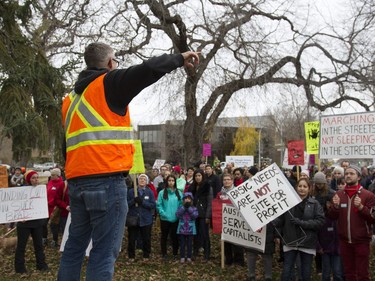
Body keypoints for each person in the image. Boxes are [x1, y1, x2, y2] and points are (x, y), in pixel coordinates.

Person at [58, 42, 200, 281]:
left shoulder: (69, 101)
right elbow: (146, 70)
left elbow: (68, 146)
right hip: (106, 182)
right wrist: (179, 58)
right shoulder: (108, 83)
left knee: (74, 248)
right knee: (103, 253)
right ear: (110, 63)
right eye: (116, 61)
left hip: (76, 183)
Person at [328, 165, 375, 281]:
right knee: (349, 273)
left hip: (361, 241)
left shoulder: (368, 195)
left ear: (358, 177)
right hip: (344, 241)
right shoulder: (338, 195)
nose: (348, 175)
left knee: (362, 274)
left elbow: (373, 217)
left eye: (352, 173)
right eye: (347, 173)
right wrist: (336, 207)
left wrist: (361, 207)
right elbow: (332, 216)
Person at [273, 178, 325, 281]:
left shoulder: (315, 204)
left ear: (309, 189)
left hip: (307, 242)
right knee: (287, 270)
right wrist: (272, 221)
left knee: (305, 272)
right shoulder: (287, 203)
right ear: (296, 188)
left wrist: (302, 223)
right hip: (290, 241)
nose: (302, 189)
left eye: (305, 186)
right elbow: (280, 221)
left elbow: (320, 221)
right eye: (300, 186)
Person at [15, 170, 49, 274]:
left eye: (37, 178)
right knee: (21, 246)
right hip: (24, 223)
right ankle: (19, 268)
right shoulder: (21, 190)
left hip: (37, 222)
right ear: (28, 179)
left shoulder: (41, 190)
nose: (36, 180)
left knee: (38, 245)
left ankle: (41, 265)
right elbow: (16, 205)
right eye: (33, 178)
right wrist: (20, 216)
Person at [216, 173, 245, 266]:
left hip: (236, 220)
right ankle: (228, 259)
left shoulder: (238, 192)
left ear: (232, 181)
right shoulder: (220, 194)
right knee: (226, 241)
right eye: (225, 180)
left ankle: (239, 260)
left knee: (237, 241)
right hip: (224, 221)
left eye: (228, 179)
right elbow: (217, 206)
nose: (226, 181)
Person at [127, 174, 156, 261]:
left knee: (146, 238)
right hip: (133, 219)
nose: (142, 180)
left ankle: (146, 255)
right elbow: (126, 204)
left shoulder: (149, 192)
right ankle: (131, 256)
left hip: (145, 219)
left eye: (144, 179)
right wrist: (133, 201)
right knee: (132, 238)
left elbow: (152, 205)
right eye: (140, 179)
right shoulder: (131, 191)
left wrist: (142, 202)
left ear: (146, 181)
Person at [188, 169, 213, 261]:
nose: (198, 178)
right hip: (194, 214)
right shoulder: (192, 187)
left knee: (205, 234)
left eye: (199, 176)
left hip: (203, 214)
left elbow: (210, 202)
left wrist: (208, 216)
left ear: (202, 176)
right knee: (195, 233)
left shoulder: (207, 187)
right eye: (196, 176)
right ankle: (195, 251)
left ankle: (207, 254)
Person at [156, 174, 183, 260]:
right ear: (167, 182)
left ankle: (175, 253)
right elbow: (159, 204)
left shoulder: (179, 193)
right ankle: (164, 253)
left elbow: (181, 204)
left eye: (172, 181)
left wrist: (179, 213)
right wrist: (162, 213)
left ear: (175, 182)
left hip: (175, 218)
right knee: (164, 236)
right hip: (165, 218)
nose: (171, 182)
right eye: (169, 181)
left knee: (175, 237)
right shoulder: (162, 192)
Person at [176, 192, 198, 263]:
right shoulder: (180, 207)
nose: (187, 200)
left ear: (191, 200)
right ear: (183, 200)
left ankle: (189, 256)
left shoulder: (194, 208)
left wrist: (189, 209)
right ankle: (182, 256)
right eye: (186, 199)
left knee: (189, 244)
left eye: (189, 199)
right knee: (182, 244)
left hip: (191, 229)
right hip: (182, 229)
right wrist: (184, 207)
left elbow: (195, 216)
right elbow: (177, 214)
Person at [46, 168, 65, 248]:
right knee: (44, 224)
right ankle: (44, 237)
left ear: (58, 175)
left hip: (55, 208)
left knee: (54, 225)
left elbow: (59, 196)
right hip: (47, 207)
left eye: (53, 175)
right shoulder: (49, 182)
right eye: (51, 175)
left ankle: (55, 240)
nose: (51, 176)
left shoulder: (61, 184)